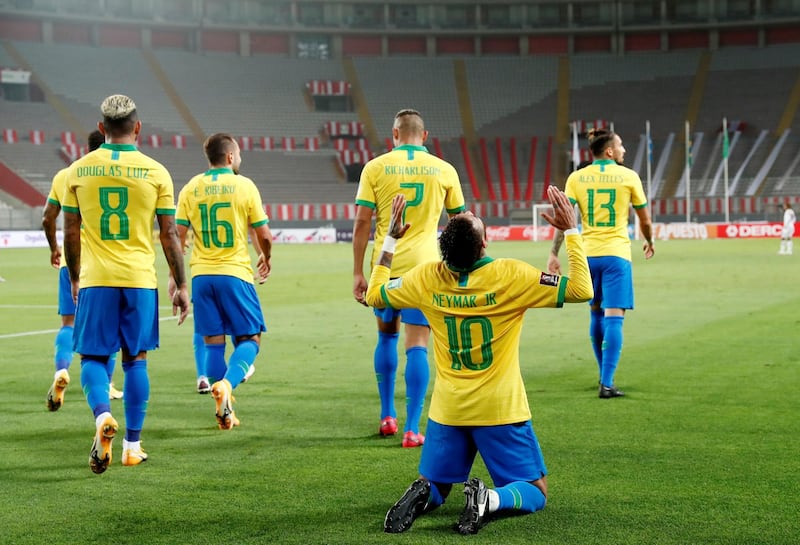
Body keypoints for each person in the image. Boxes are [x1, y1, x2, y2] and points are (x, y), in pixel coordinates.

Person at [366, 188, 592, 535]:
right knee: (535, 490)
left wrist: (390, 241)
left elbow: (374, 294)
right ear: (484, 245)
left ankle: (425, 492)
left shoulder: (426, 279)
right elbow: (581, 290)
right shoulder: (511, 275)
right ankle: (489, 500)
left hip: (449, 410)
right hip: (500, 410)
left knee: (438, 485)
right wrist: (572, 230)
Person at [62, 94, 190, 474]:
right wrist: (181, 285)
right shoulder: (156, 172)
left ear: (102, 130)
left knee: (93, 359)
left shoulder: (78, 170)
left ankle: (103, 415)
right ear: (137, 128)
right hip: (139, 279)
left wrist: (73, 275)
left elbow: (70, 230)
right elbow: (169, 235)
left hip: (96, 279)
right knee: (136, 361)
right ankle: (132, 446)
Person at [353, 109, 465, 448]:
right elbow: (460, 224)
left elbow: (361, 223)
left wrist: (358, 272)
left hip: (385, 268)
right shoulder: (445, 170)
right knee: (417, 343)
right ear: (425, 136)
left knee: (386, 337)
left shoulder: (375, 167)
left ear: (395, 134)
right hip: (426, 270)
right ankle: (413, 429)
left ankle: (388, 416)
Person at [174, 132, 272, 430]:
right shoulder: (244, 186)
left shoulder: (191, 188)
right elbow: (264, 234)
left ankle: (224, 408)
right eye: (238, 154)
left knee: (213, 344)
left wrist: (175, 278)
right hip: (235, 274)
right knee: (250, 339)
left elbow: (175, 236)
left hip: (201, 276)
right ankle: (227, 384)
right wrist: (266, 256)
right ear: (230, 157)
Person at [547, 128, 654, 399]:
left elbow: (565, 219)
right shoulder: (629, 176)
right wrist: (650, 240)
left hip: (586, 255)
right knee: (614, 317)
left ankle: (603, 373)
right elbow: (645, 220)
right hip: (616, 255)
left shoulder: (576, 178)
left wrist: (553, 253)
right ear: (609, 151)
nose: (624, 150)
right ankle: (607, 383)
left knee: (595, 313)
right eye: (620, 146)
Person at [42, 129, 123, 411]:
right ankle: (108, 384)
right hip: (104, 265)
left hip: (70, 261)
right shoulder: (119, 173)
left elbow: (47, 218)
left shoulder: (66, 175)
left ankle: (61, 371)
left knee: (68, 323)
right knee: (108, 327)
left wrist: (54, 247)